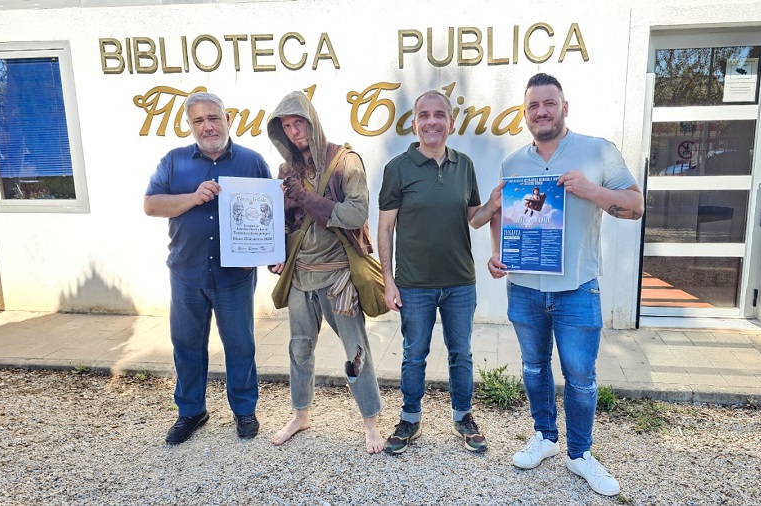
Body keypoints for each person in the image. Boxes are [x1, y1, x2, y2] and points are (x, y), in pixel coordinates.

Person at [487, 73, 643, 496]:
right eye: (534, 106)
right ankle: (545, 437)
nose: (542, 111)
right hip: (524, 287)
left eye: (549, 103)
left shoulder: (597, 150)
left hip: (578, 287)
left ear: (564, 107)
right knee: (534, 367)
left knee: (580, 376)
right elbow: (501, 213)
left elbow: (636, 205)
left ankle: (580, 453)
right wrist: (497, 253)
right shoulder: (513, 163)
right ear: (525, 114)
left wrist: (591, 190)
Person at [378, 90, 501, 455]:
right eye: (424, 115)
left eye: (439, 115)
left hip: (460, 281)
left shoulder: (464, 165)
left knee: (460, 353)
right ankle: (410, 418)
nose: (432, 121)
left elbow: (475, 220)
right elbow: (385, 229)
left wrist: (494, 204)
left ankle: (463, 416)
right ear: (414, 123)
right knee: (414, 353)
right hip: (414, 284)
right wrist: (388, 281)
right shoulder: (397, 168)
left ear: (451, 122)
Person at [144, 91, 271, 444]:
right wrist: (192, 197)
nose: (207, 126)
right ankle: (191, 412)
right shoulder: (173, 161)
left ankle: (244, 411)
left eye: (213, 118)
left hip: (235, 275)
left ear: (227, 118)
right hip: (187, 272)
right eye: (198, 120)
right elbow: (151, 205)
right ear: (190, 125)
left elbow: (271, 214)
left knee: (240, 345)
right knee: (186, 345)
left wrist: (274, 250)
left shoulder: (252, 161)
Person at [266, 91, 385, 454]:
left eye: (297, 122)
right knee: (299, 349)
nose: (293, 131)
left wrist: (307, 198)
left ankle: (371, 423)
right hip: (301, 276)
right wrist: (277, 254)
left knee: (355, 351)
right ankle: (301, 414)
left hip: (338, 277)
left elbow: (356, 214)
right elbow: (284, 222)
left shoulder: (345, 161)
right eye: (285, 126)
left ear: (311, 121)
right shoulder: (286, 170)